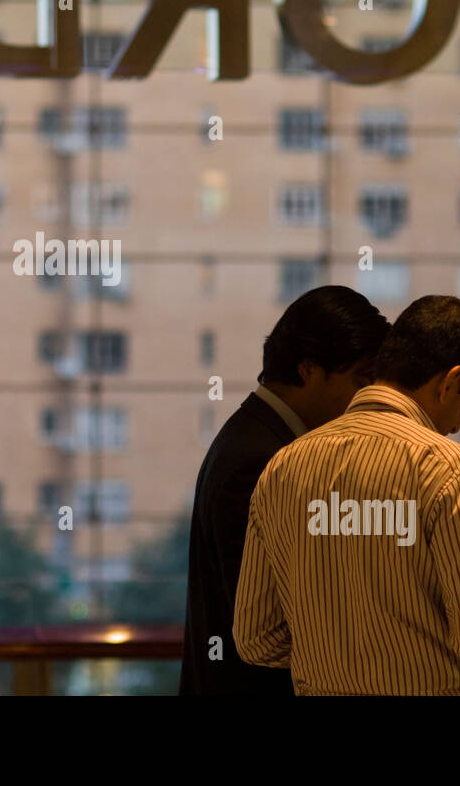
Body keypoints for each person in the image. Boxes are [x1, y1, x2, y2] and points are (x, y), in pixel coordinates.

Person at [233, 295, 460, 695]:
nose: (457, 424)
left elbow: (256, 637)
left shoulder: (284, 468)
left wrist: (334, 654)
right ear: (451, 380)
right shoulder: (449, 470)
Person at [179, 285, 390, 695]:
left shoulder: (259, 440)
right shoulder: (258, 459)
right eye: (361, 378)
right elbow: (268, 619)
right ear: (308, 370)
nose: (368, 397)